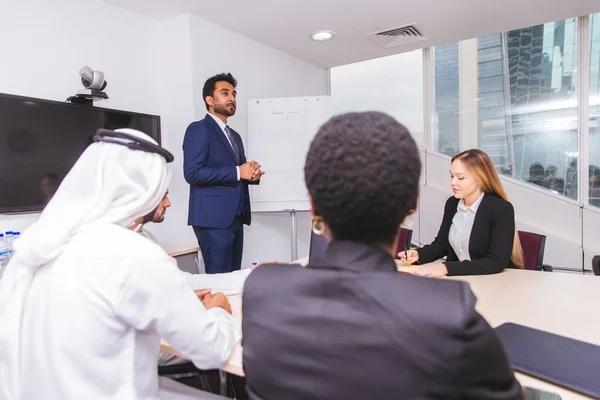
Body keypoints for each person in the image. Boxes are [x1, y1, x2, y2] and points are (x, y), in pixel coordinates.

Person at [242, 112, 522, 400]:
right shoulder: (449, 311)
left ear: (313, 205)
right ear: (412, 202)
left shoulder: (261, 289)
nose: (454, 182)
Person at [0, 128, 242, 400]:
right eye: (161, 192)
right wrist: (218, 311)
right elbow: (213, 350)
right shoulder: (135, 253)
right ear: (140, 192)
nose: (168, 202)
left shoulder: (42, 242)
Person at [183, 72, 264, 275]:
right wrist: (238, 171)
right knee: (218, 281)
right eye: (225, 93)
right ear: (209, 100)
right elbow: (192, 173)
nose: (232, 98)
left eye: (234, 94)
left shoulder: (234, 135)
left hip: (235, 217)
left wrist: (251, 174)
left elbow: (238, 172)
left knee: (232, 278)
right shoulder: (198, 129)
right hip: (212, 220)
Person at [400, 149, 524, 277]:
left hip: (494, 281)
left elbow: (495, 262)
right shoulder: (452, 203)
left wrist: (446, 268)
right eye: (452, 176)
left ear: (480, 178)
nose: (453, 182)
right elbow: (441, 245)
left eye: (460, 178)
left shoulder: (501, 209)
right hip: (463, 279)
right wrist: (418, 255)